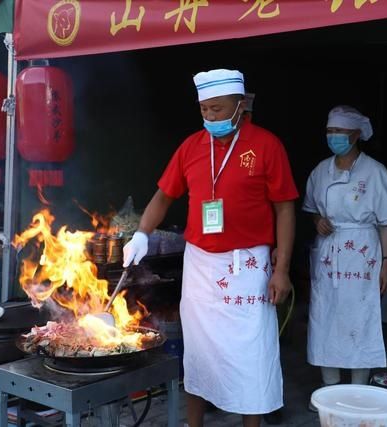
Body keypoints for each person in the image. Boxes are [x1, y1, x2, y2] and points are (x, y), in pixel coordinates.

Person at [123, 69, 299, 427]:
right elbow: (163, 195)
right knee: (200, 352)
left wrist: (281, 270)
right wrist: (142, 233)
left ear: (240, 105)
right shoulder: (191, 147)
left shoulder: (266, 145)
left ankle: (252, 424)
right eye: (204, 110)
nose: (210, 117)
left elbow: (285, 207)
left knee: (252, 350)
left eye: (217, 109)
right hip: (201, 264)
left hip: (248, 263)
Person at [302, 106, 387, 410]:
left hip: (362, 252)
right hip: (328, 252)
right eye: (330, 132)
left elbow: (386, 221)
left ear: (356, 135)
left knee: (360, 316)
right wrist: (317, 221)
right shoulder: (321, 171)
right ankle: (328, 388)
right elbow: (312, 210)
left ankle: (359, 389)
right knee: (325, 317)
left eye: (340, 133)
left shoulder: (375, 172)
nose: (333, 137)